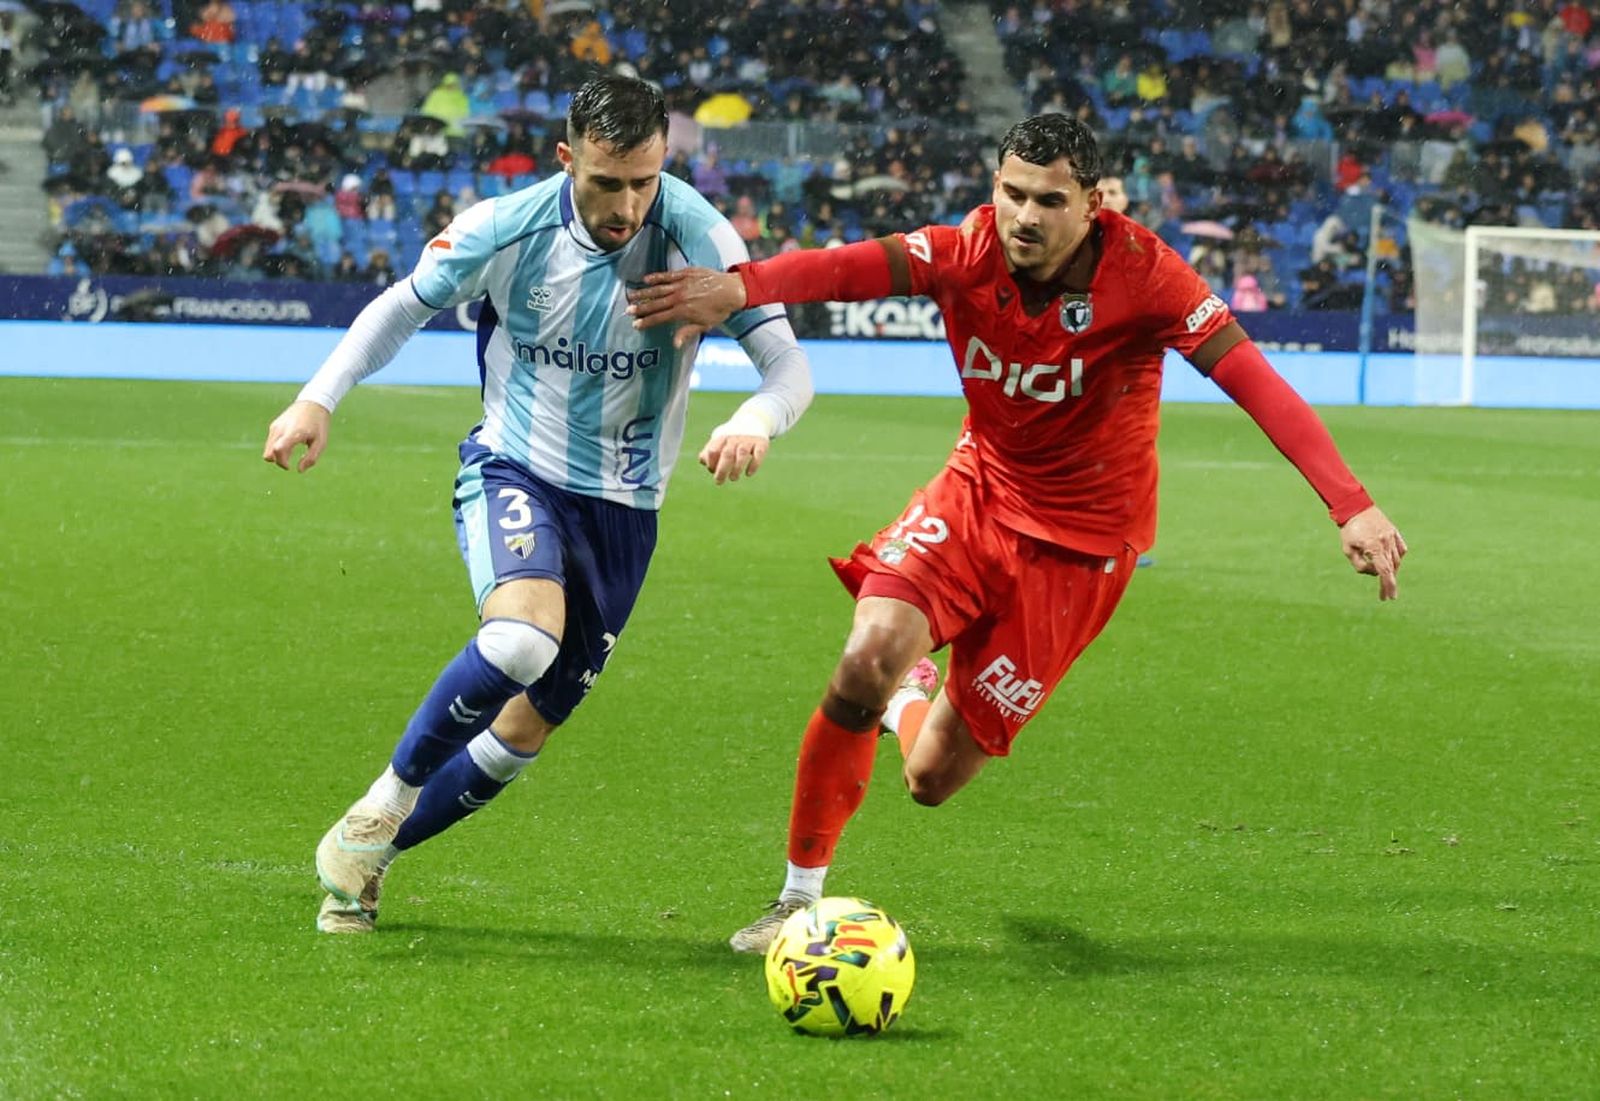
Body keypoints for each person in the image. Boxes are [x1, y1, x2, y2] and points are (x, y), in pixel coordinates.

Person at [627, 113, 1406, 953]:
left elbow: (1253, 379)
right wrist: (741, 287)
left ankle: (909, 697)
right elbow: (849, 268)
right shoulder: (966, 250)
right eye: (1012, 193)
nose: (1025, 216)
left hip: (1081, 550)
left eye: (1049, 200)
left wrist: (1349, 503)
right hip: (977, 495)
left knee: (929, 777)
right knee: (864, 657)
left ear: (1094, 204)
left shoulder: (1148, 275)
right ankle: (796, 899)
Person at [261, 75, 813, 934]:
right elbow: (403, 305)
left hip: (625, 512)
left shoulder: (700, 237)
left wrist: (755, 419)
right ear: (566, 159)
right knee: (521, 639)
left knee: (524, 732)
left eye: (645, 181)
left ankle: (367, 860)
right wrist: (316, 398)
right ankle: (386, 797)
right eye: (606, 182)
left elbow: (789, 368)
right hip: (516, 467)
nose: (627, 206)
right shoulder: (506, 226)